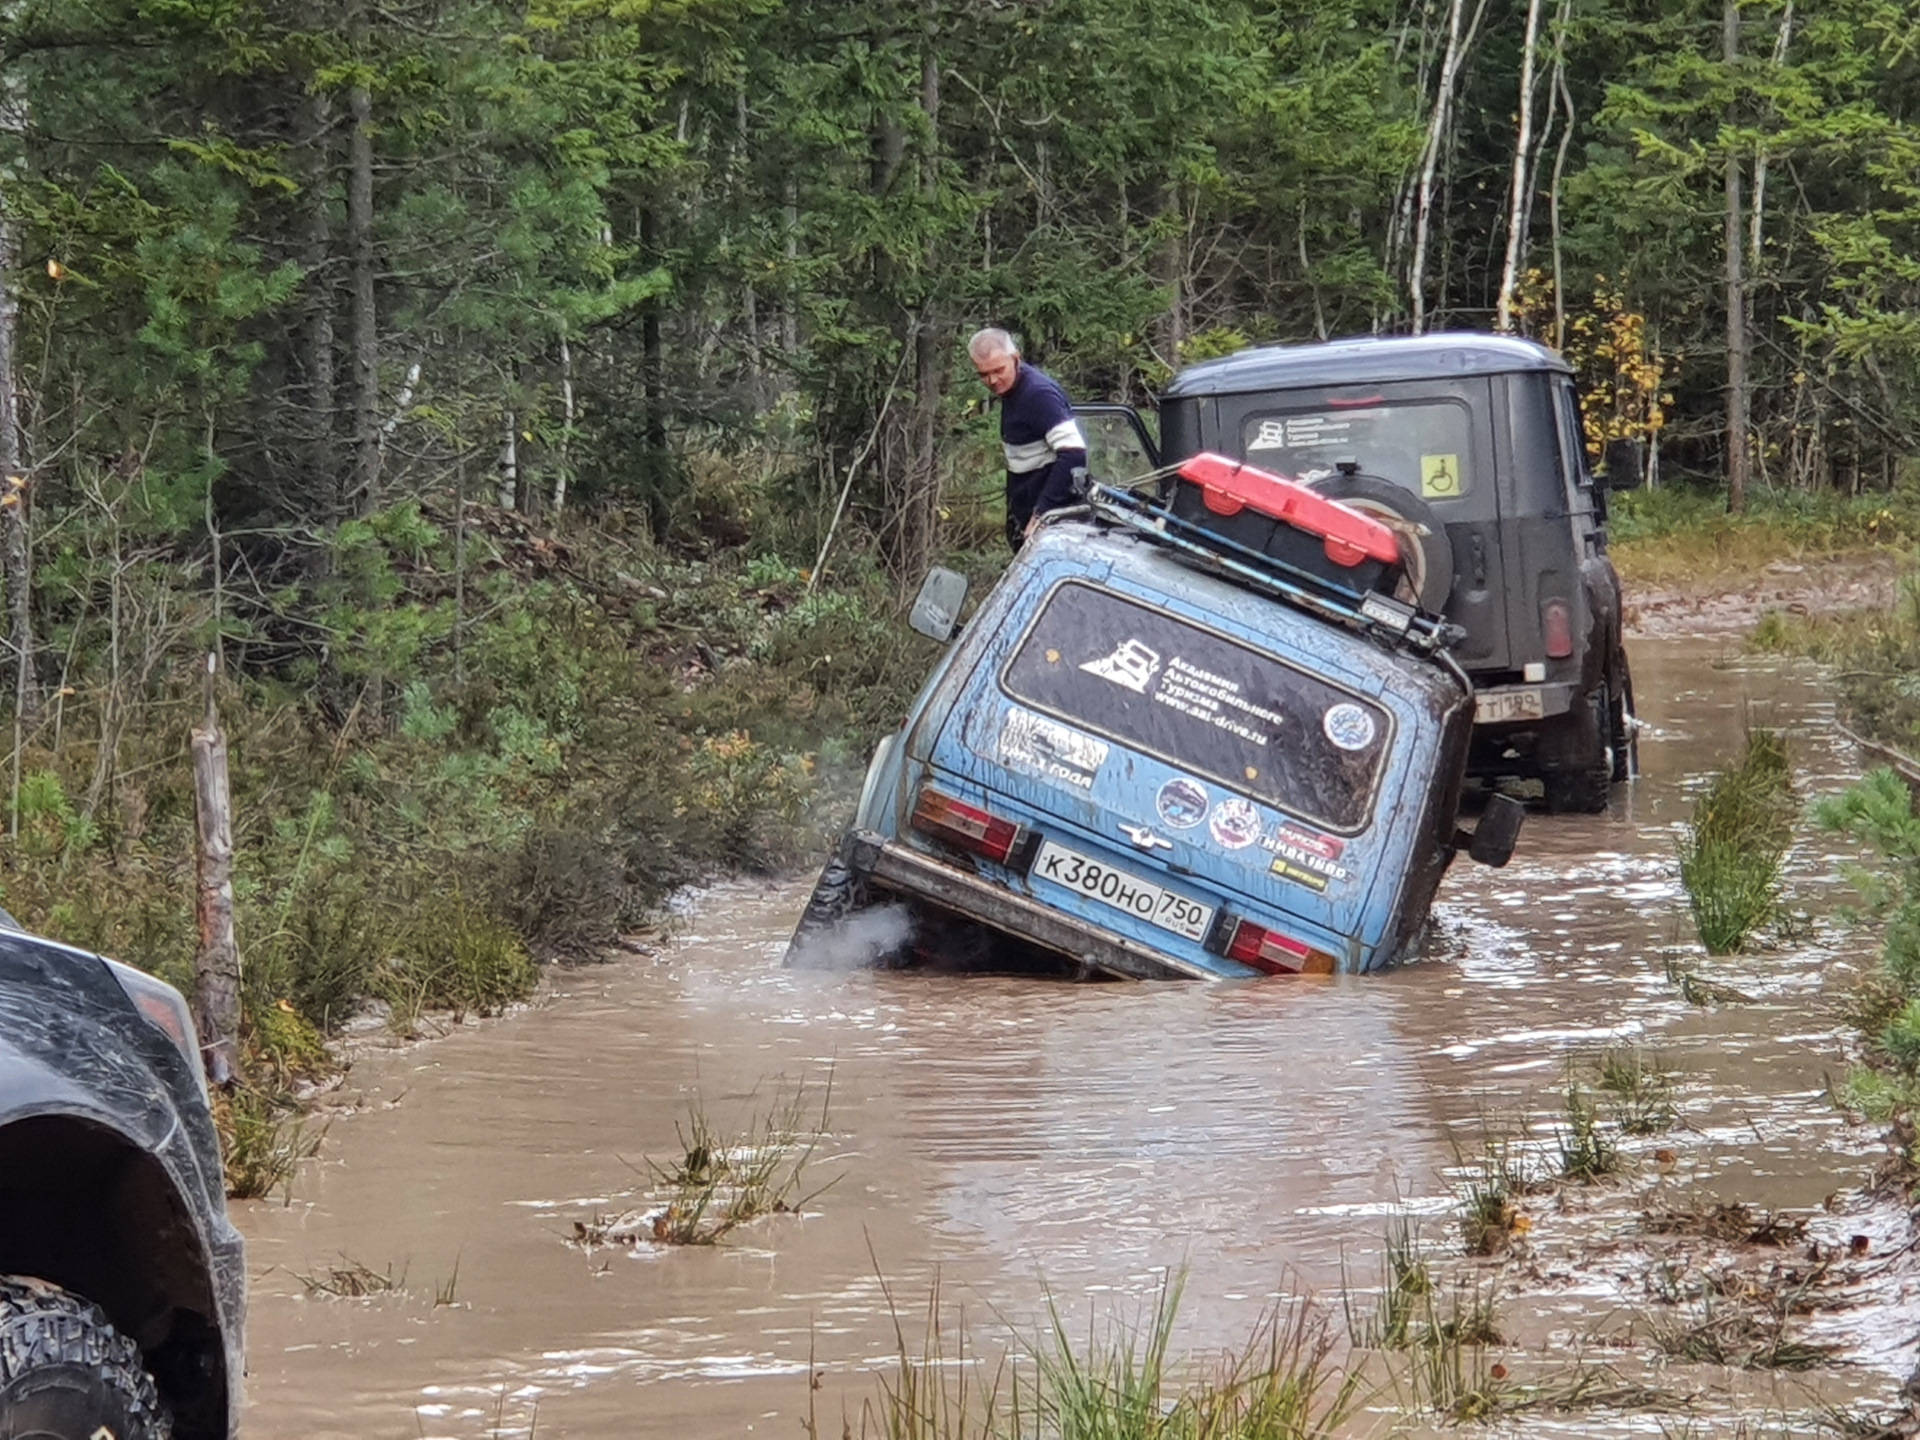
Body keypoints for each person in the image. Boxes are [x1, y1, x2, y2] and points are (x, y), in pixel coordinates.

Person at [969, 327, 1088, 550]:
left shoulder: (1038, 395)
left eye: (998, 370)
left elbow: (1074, 453)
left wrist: (1043, 514)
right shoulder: (1011, 391)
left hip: (1052, 527)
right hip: (1027, 519)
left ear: (1015, 359)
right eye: (983, 374)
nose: (992, 380)